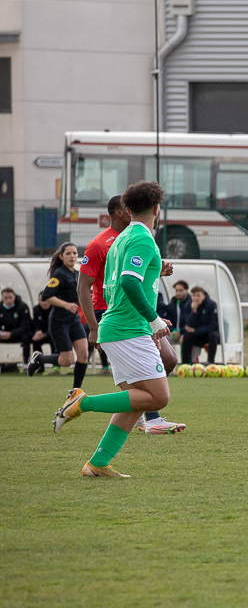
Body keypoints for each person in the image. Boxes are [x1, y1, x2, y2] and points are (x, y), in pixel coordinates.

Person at [52, 181, 174, 477]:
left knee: (135, 403)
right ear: (157, 209)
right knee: (158, 398)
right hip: (127, 329)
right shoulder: (143, 239)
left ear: (128, 210)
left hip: (120, 326)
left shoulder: (121, 237)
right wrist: (153, 318)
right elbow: (129, 282)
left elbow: (125, 282)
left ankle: (97, 464)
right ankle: (82, 402)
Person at [78, 195, 184, 435]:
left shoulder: (126, 238)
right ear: (119, 212)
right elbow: (90, 285)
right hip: (118, 315)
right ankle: (84, 403)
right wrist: (93, 326)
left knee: (156, 374)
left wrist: (155, 273)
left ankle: (98, 464)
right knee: (160, 376)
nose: (131, 214)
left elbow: (132, 280)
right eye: (127, 211)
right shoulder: (104, 243)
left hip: (131, 313)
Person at [26, 242, 89, 388]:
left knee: (84, 355)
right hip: (59, 322)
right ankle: (39, 358)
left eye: (74, 253)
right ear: (61, 256)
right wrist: (66, 304)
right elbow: (47, 295)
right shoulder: (59, 274)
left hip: (74, 320)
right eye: (68, 253)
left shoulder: (78, 274)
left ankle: (75, 391)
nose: (72, 256)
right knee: (67, 361)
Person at [180, 286, 219, 364]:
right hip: (197, 335)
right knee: (187, 336)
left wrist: (196, 330)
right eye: (194, 296)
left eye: (198, 295)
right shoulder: (188, 306)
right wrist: (194, 311)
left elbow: (214, 325)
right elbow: (187, 325)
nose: (196, 298)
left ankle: (210, 362)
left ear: (203, 296)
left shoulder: (211, 305)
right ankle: (185, 364)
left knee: (213, 335)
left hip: (207, 334)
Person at [0, 288, 32, 372]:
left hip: (18, 334)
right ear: (2, 298)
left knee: (26, 337)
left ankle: (26, 363)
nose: (8, 300)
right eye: (5, 298)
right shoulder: (0, 308)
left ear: (14, 296)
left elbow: (26, 326)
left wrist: (11, 333)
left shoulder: (22, 307)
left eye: (10, 297)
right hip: (4, 335)